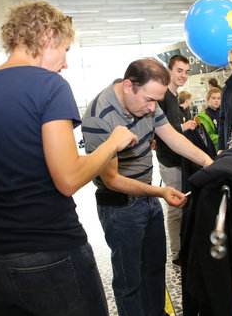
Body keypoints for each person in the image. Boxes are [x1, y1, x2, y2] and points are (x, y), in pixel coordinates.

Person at [0, 0, 137, 316]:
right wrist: (112, 143)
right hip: (46, 256)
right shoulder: (49, 86)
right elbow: (68, 178)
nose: (65, 63)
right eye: (65, 50)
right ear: (48, 36)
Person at [81, 58, 213, 316]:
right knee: (130, 280)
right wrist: (161, 192)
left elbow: (172, 137)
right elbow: (113, 180)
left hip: (148, 195)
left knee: (154, 268)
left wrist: (209, 162)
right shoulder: (99, 117)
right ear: (129, 87)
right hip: (119, 206)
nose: (153, 107)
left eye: (157, 100)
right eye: (149, 100)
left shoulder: (148, 100)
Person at [155, 54, 197, 266]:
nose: (183, 75)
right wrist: (183, 128)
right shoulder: (162, 98)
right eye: (179, 71)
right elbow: (161, 133)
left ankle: (184, 247)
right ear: (169, 71)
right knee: (175, 209)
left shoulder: (176, 98)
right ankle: (176, 253)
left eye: (186, 72)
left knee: (184, 207)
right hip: (169, 162)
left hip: (182, 161)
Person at [197, 87, 222, 151]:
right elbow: (207, 136)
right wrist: (223, 138)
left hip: (222, 148)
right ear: (207, 99)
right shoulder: (203, 117)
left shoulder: (221, 114)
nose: (216, 101)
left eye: (219, 98)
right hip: (211, 150)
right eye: (213, 98)